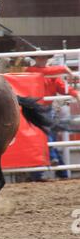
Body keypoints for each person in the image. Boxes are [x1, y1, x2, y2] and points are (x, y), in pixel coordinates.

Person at [25, 53, 80, 181]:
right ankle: (59, 170)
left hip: (44, 109)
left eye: (44, 57)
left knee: (46, 139)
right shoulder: (31, 71)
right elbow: (43, 72)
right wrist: (64, 69)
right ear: (35, 59)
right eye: (40, 57)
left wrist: (73, 93)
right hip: (35, 110)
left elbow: (61, 86)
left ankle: (42, 173)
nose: (42, 60)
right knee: (46, 139)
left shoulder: (50, 74)